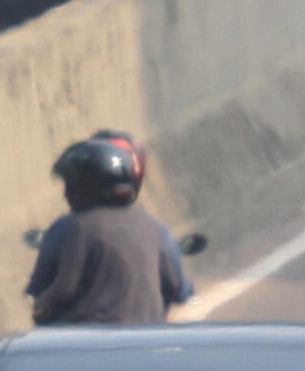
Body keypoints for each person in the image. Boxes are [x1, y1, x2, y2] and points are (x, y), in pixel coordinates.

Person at [26, 132, 194, 327]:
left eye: (70, 184)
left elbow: (54, 289)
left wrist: (42, 305)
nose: (66, 192)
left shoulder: (71, 226)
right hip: (146, 339)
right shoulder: (155, 227)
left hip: (82, 342)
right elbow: (178, 289)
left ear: (83, 186)